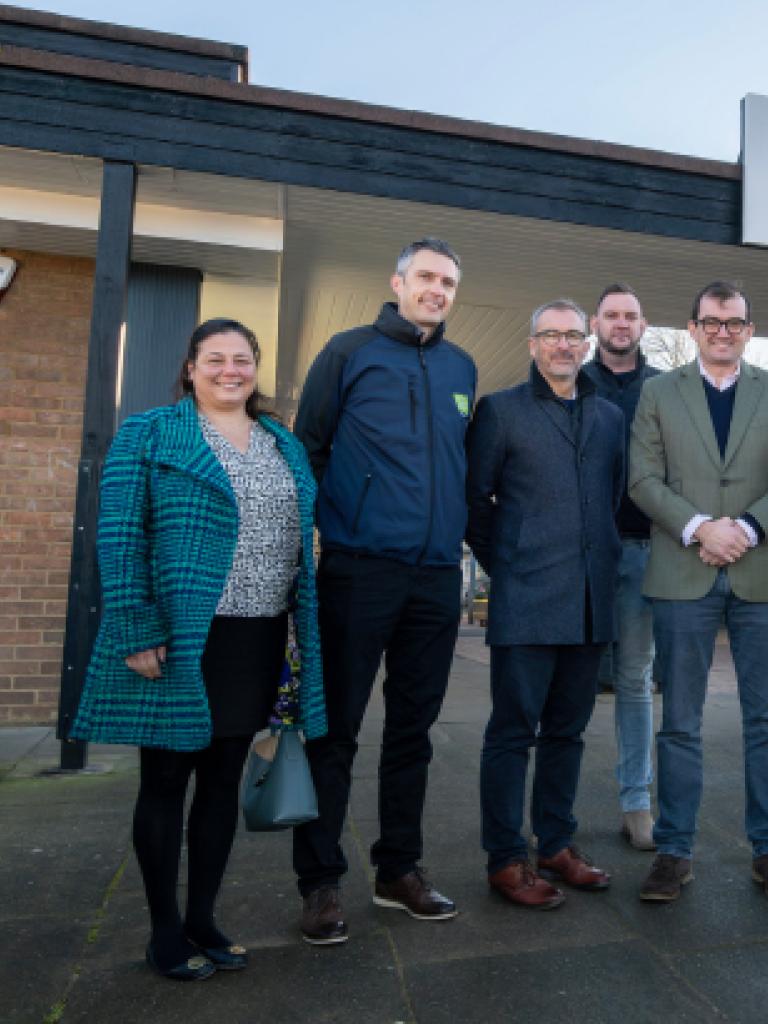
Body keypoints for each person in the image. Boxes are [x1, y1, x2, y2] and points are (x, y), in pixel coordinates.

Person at [71, 319, 327, 980]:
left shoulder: (282, 443)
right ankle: (163, 932)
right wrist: (135, 625)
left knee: (220, 785)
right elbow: (120, 532)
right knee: (164, 782)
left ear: (255, 369)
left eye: (242, 360)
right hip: (183, 636)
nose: (229, 370)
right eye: (214, 359)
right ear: (190, 367)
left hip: (260, 634)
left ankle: (202, 918)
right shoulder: (150, 432)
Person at [290, 238, 477, 943]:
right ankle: (320, 883)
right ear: (397, 280)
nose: (437, 289)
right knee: (334, 730)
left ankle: (398, 870)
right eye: (426, 277)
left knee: (412, 732)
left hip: (435, 576)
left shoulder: (461, 366)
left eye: (448, 282)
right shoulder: (348, 351)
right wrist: (311, 549)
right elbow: (307, 449)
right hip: (359, 569)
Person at [627, 280, 768, 902]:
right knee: (679, 721)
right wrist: (700, 528)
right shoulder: (658, 392)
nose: (723, 331)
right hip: (684, 570)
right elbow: (643, 479)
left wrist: (747, 527)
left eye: (734, 322)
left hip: (758, 572)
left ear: (749, 329)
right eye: (712, 322)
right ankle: (673, 850)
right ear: (694, 328)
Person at [466, 299, 625, 910]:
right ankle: (506, 859)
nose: (563, 345)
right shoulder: (501, 411)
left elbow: (609, 498)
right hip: (527, 596)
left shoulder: (609, 417)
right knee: (512, 733)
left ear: (587, 345)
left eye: (573, 336)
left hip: (590, 601)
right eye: (551, 335)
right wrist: (507, 564)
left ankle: (556, 842)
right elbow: (476, 501)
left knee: (569, 731)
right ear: (532, 344)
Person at [580, 284, 663, 850]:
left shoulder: (667, 387)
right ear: (596, 323)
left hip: (641, 549)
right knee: (566, 683)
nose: (620, 324)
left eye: (630, 315)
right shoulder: (570, 380)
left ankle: (637, 801)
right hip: (579, 555)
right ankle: (552, 808)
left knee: (634, 680)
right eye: (611, 315)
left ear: (643, 324)